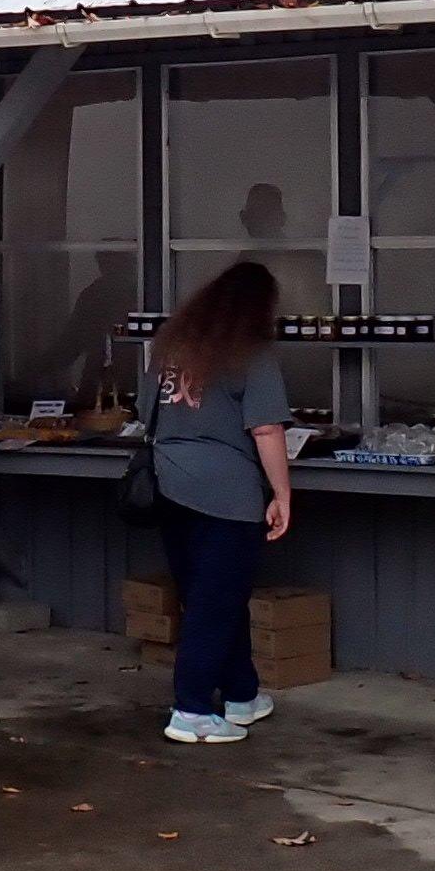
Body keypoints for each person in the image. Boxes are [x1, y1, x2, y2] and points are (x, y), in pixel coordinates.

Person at [141, 259, 296, 745]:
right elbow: (267, 428)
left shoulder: (169, 347)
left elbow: (145, 414)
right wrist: (283, 493)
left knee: (210, 597)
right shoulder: (252, 354)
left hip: (168, 482)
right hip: (227, 492)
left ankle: (242, 694)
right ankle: (189, 710)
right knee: (217, 602)